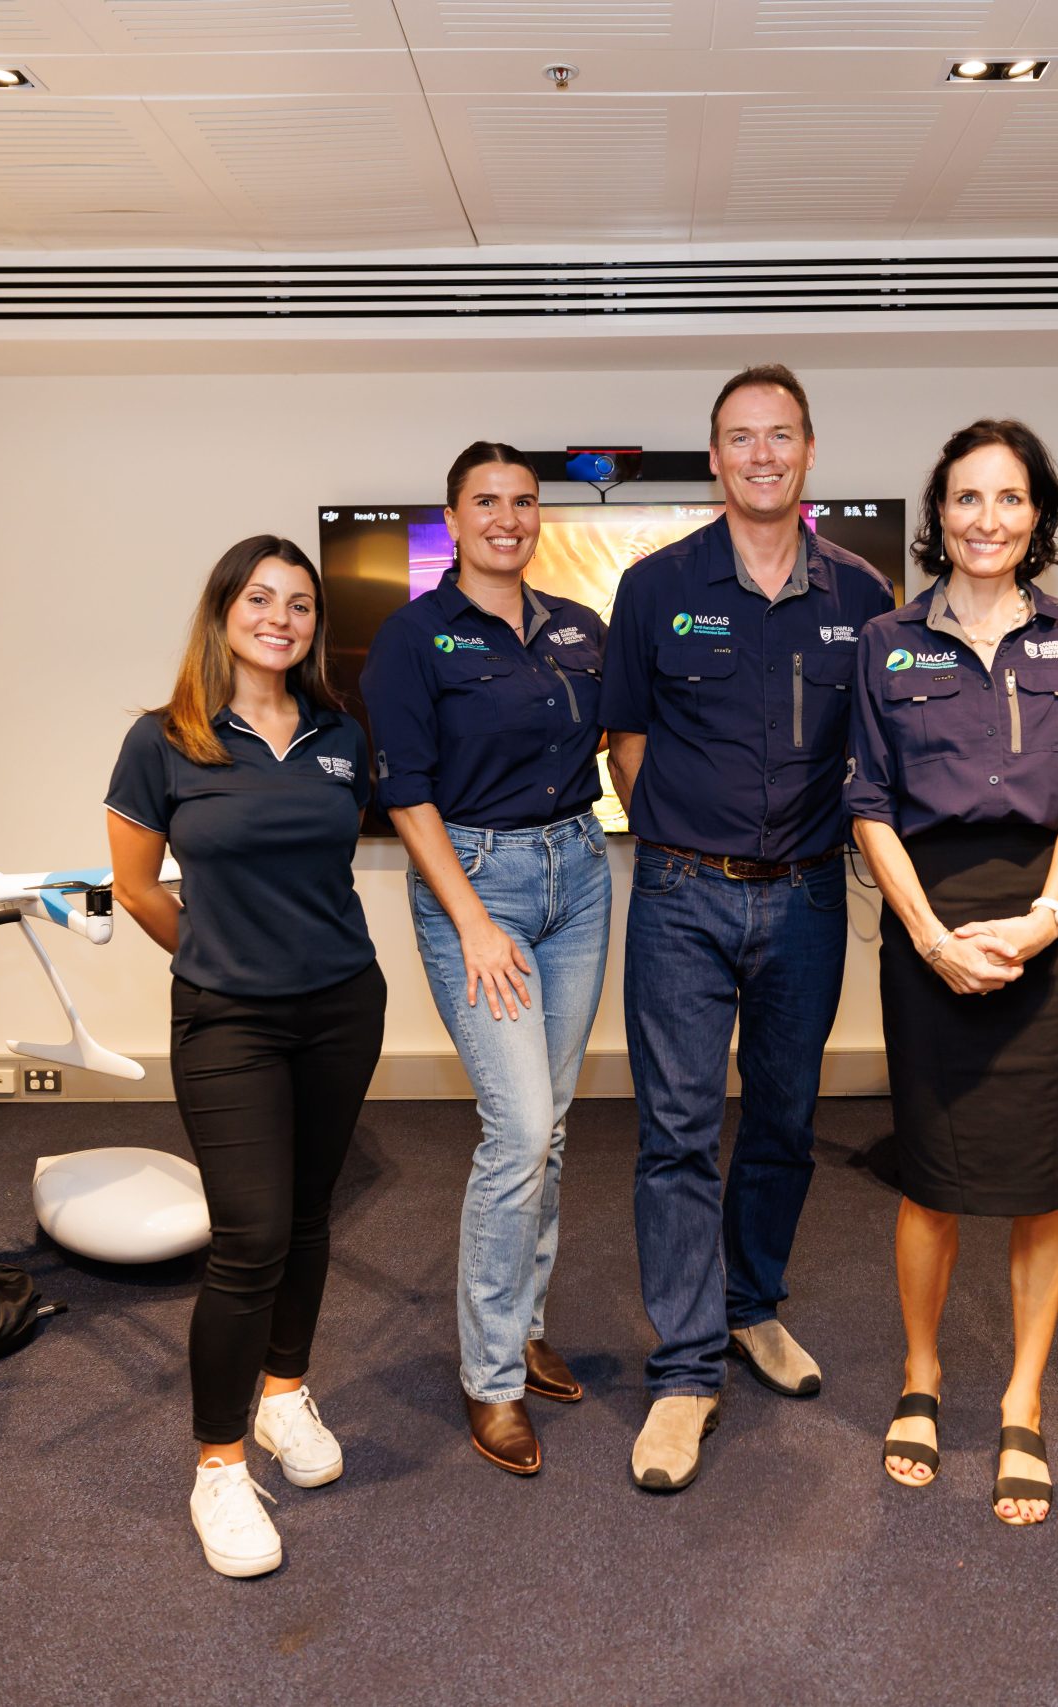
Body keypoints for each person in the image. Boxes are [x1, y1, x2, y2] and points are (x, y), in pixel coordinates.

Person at [598, 364, 896, 1492]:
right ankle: (681, 1372)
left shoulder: (864, 597)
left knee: (782, 1118)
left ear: (809, 451)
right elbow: (623, 739)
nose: (761, 454)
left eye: (780, 435)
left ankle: (749, 1306)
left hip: (811, 896)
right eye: (739, 437)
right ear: (714, 457)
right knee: (675, 1129)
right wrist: (689, 835)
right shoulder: (653, 586)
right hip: (682, 892)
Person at [846, 419, 1058, 1527]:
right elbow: (866, 803)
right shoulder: (886, 639)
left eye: (1008, 499)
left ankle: (1022, 1398)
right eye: (965, 498)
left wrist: (1049, 916)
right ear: (937, 514)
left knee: (1044, 1180)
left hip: (1045, 915)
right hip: (930, 917)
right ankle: (921, 1375)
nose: (986, 519)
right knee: (933, 1173)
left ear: (1037, 517)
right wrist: (928, 935)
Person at [106, 535, 386, 1579]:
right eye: (260, 598)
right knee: (250, 1236)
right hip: (228, 1022)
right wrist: (220, 958)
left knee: (308, 1213)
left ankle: (281, 1395)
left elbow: (329, 869)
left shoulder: (338, 735)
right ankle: (217, 1467)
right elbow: (138, 887)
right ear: (223, 612)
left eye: (301, 604)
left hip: (342, 1007)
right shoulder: (162, 739)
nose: (282, 617)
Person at [359, 443, 612, 1478]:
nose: (506, 518)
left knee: (548, 1130)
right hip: (476, 882)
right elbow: (407, 793)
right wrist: (468, 920)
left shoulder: (577, 629)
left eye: (522, 501)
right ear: (452, 520)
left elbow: (615, 746)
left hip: (579, 876)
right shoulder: (412, 638)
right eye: (484, 503)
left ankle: (522, 1326)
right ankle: (489, 1376)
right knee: (514, 1133)